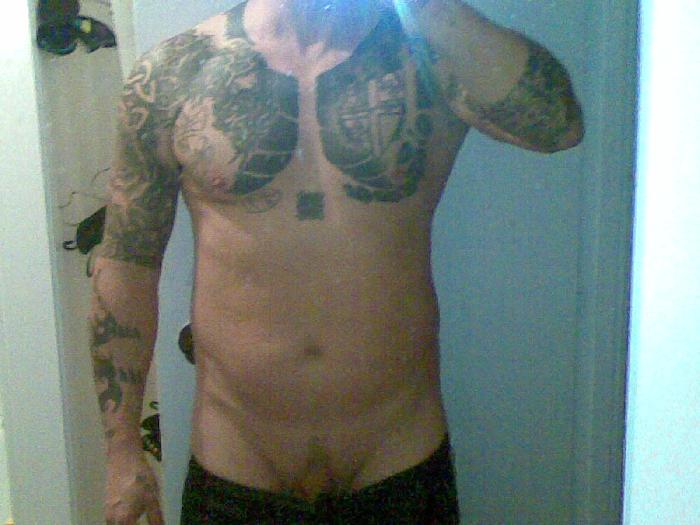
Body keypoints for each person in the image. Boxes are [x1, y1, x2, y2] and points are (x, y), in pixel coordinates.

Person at [89, 0, 584, 522]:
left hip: (397, 461)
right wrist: (122, 449)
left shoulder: (428, 55)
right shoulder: (178, 71)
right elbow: (127, 262)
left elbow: (558, 126)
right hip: (237, 463)